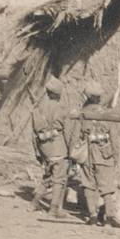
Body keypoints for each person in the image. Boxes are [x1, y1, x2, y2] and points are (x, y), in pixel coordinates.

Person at [77, 83, 120, 226]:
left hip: (88, 154)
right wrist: (116, 156)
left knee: (89, 185)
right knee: (107, 187)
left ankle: (93, 216)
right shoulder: (106, 114)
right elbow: (114, 137)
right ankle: (109, 217)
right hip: (104, 154)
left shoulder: (82, 113)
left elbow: (77, 134)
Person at [31, 77, 70, 218]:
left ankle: (34, 203)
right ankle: (54, 209)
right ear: (58, 94)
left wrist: (38, 150)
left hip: (44, 148)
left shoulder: (37, 108)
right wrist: (71, 150)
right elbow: (67, 131)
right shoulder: (61, 109)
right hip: (58, 147)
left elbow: (34, 132)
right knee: (59, 178)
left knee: (48, 175)